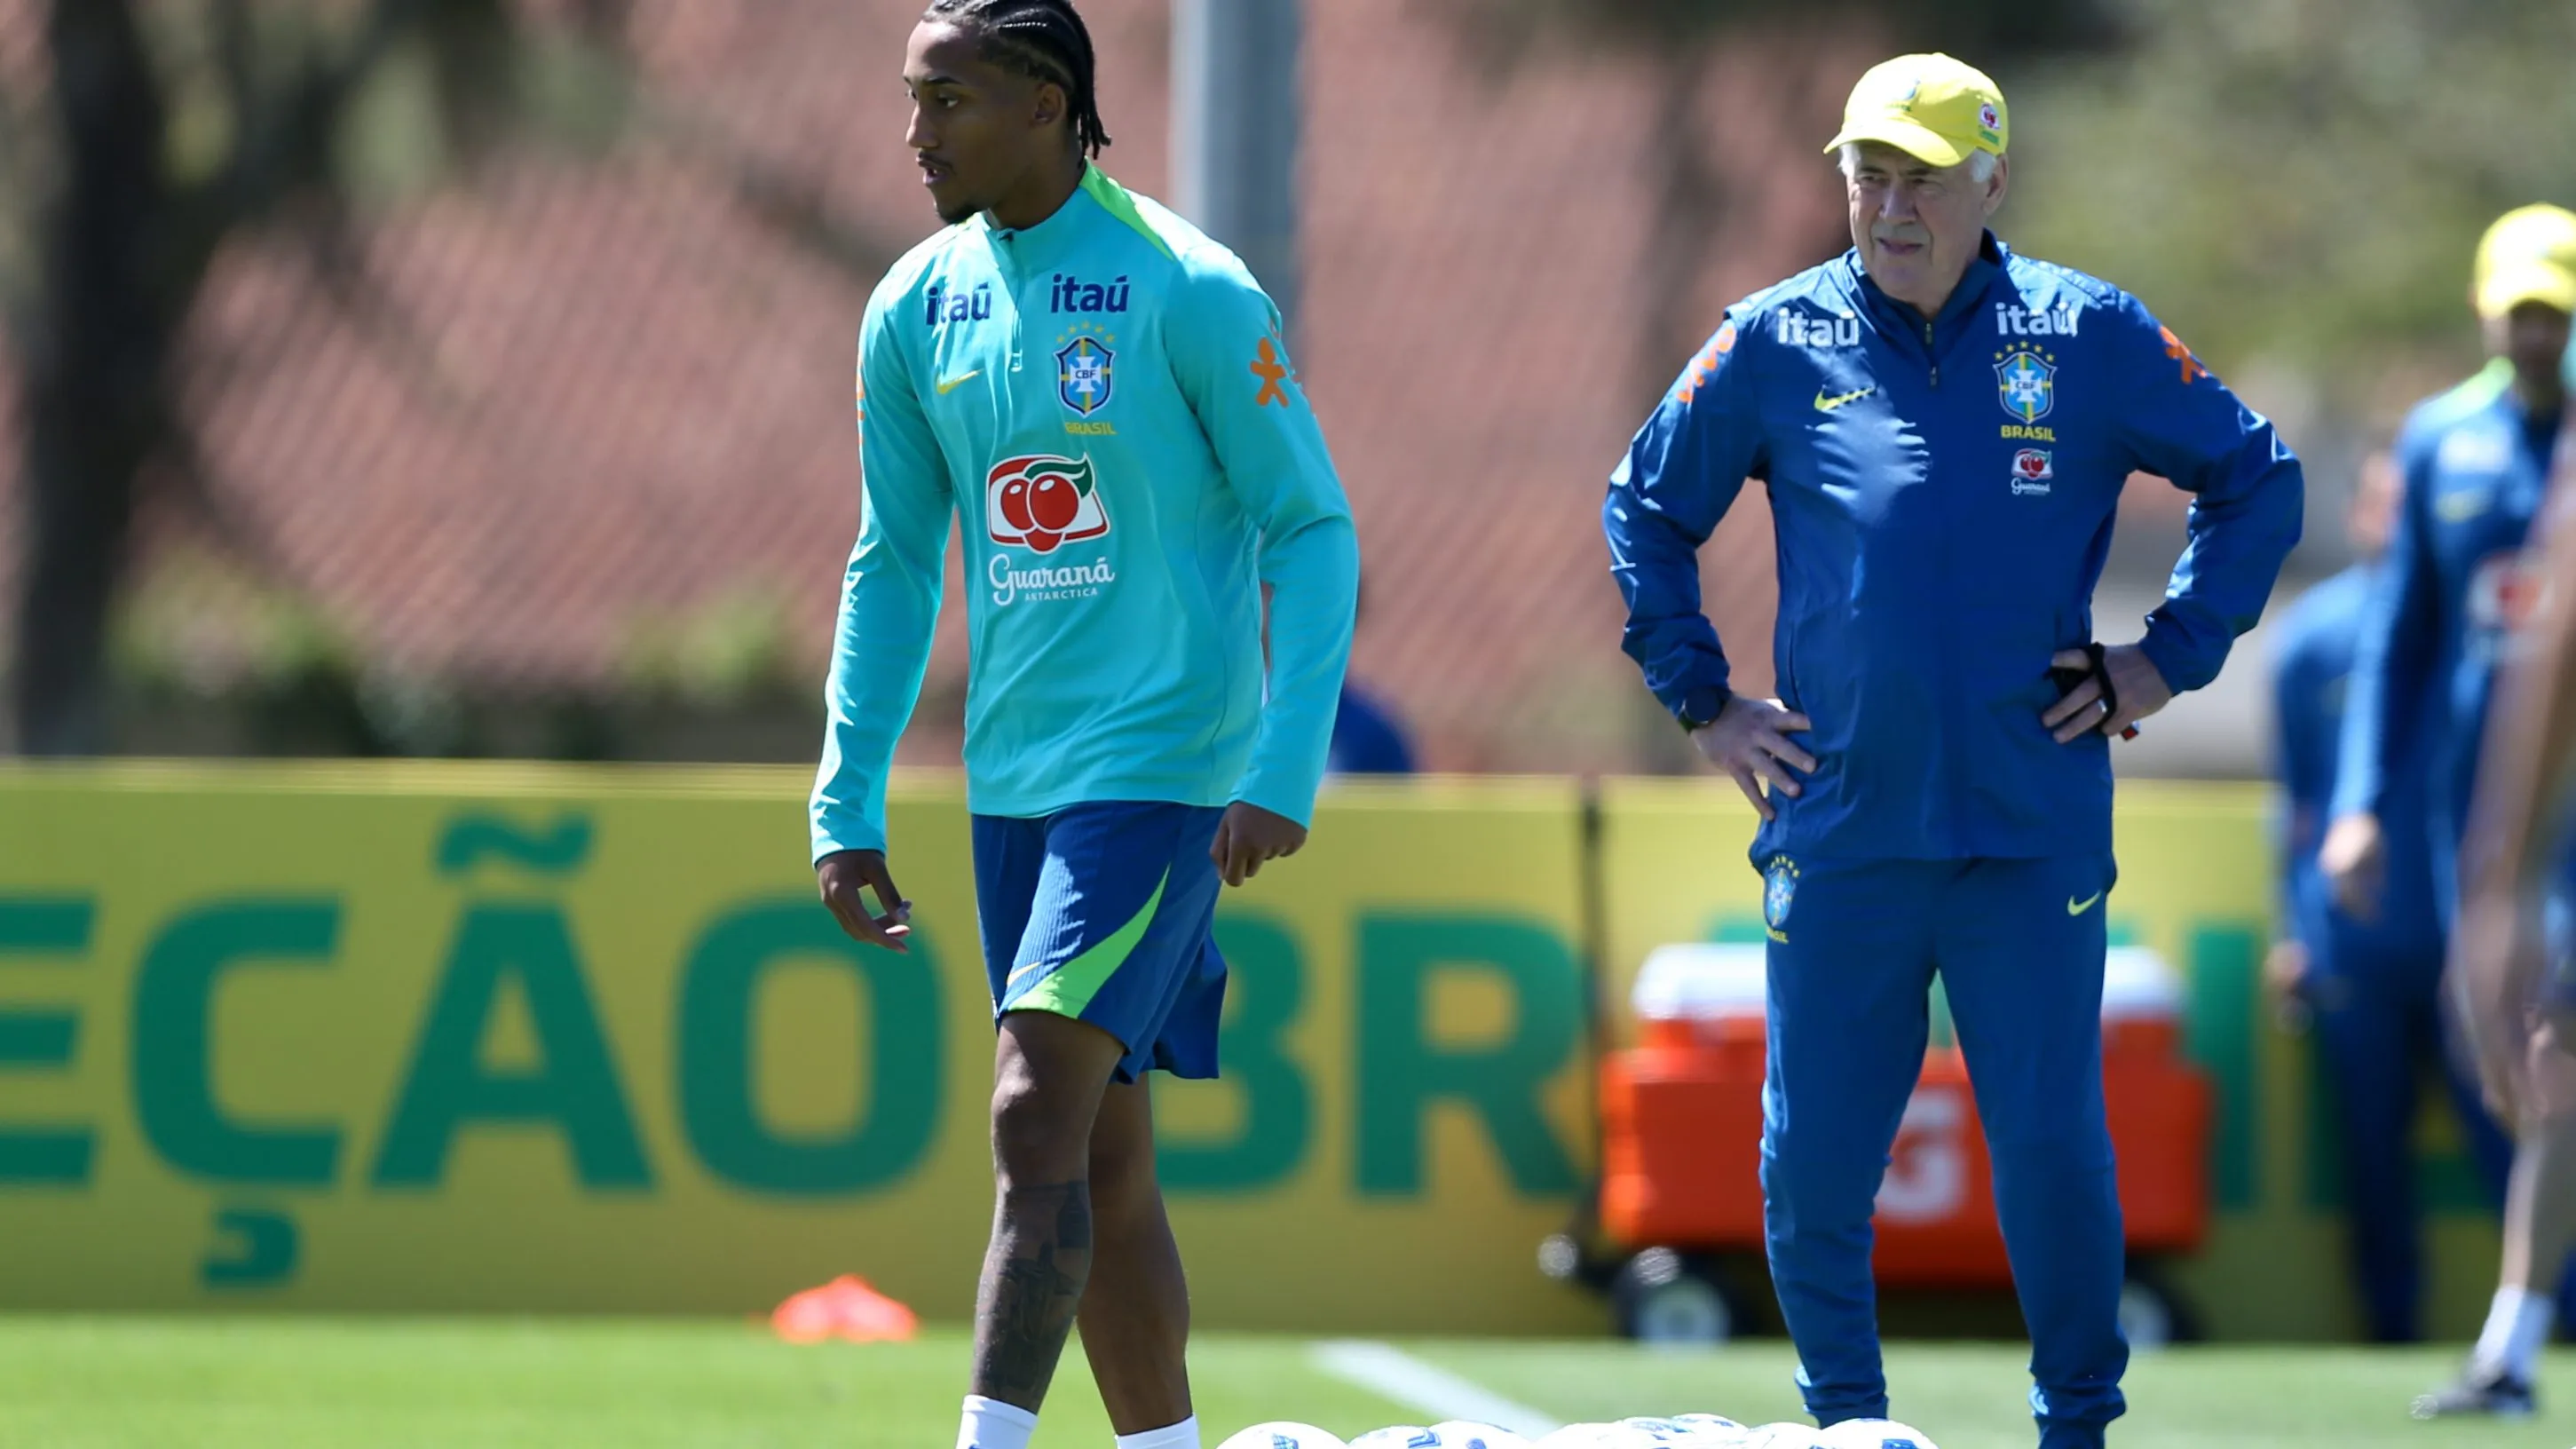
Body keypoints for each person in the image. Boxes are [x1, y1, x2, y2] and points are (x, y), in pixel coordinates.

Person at [1601, 54, 2302, 1447]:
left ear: (1993, 182)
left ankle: (2075, 1429)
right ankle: (1847, 1426)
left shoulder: (2087, 332)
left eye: (1922, 173)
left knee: (2047, 1152)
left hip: (2026, 828)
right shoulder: (1770, 337)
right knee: (1809, 1167)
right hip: (1842, 826)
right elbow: (1644, 508)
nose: (1889, 200)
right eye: (1867, 169)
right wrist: (1703, 699)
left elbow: (2256, 475)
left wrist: (2163, 657)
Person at [807, 6, 1359, 1449]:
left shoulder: (1188, 290)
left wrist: (1279, 760)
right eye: (910, 100)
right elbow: (894, 559)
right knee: (1102, 1167)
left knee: (1027, 1113)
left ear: (1048, 104)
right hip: (1017, 784)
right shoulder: (916, 306)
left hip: (1164, 773)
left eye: (948, 101)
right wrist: (844, 795)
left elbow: (1311, 527)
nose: (914, 132)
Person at [2319, 203, 2576, 1417]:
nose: (2539, 332)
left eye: (2559, 310)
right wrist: (2360, 802)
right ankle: (2517, 1342)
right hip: (2482, 821)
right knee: (2516, 1071)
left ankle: (2512, 1347)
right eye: (2522, 308)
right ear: (2485, 310)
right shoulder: (2440, 443)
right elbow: (2398, 641)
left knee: (2554, 1058)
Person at [2266, 452, 2515, 1343]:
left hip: (2471, 946)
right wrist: (2290, 929)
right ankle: (2389, 1334)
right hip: (2356, 948)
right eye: (2384, 505)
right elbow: (2292, 803)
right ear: (2363, 514)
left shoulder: (2494, 626)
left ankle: (2545, 1330)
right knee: (2374, 1162)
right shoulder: (2313, 638)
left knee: (2517, 1145)